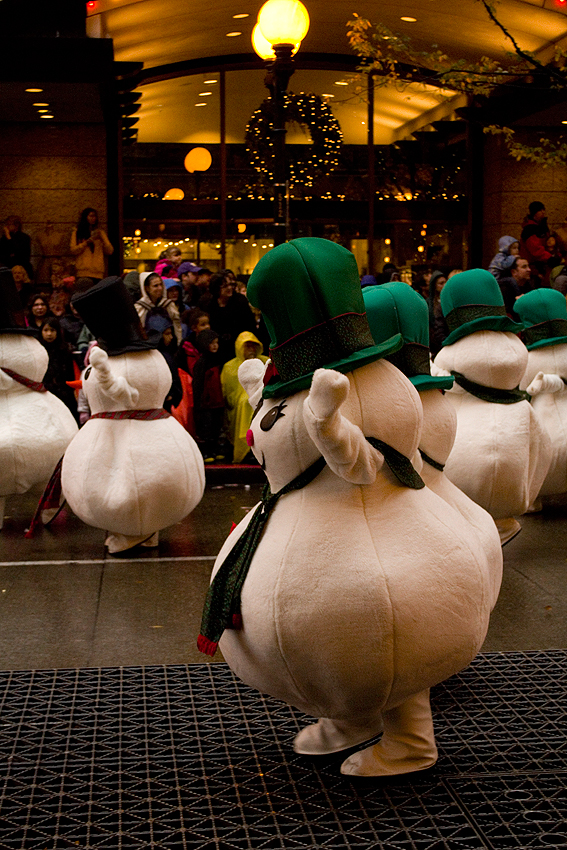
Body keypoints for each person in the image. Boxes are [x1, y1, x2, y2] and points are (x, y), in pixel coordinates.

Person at [221, 332, 267, 463]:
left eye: (254, 346)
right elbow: (228, 393)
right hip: (238, 408)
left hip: (262, 402)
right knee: (244, 404)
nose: (251, 350)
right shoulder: (230, 367)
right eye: (247, 347)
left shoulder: (264, 362)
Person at [201, 272, 256, 363]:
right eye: (225, 286)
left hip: (238, 347)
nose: (229, 288)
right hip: (217, 349)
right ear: (216, 287)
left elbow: (250, 326)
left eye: (231, 285)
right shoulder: (209, 304)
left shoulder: (240, 301)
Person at [192, 329, 225, 463]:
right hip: (206, 402)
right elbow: (198, 384)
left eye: (216, 343)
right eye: (211, 343)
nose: (215, 346)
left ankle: (214, 450)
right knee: (206, 427)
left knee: (216, 426)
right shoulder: (201, 362)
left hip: (218, 400)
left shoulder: (218, 359)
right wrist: (199, 402)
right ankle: (206, 452)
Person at [40, 317, 79, 421]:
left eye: (52, 330)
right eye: (46, 330)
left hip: (65, 393)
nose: (49, 334)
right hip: (45, 392)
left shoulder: (65, 349)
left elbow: (70, 374)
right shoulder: (39, 350)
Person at [135, 272, 182, 344]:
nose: (159, 288)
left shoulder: (168, 304)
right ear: (146, 288)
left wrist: (179, 344)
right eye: (155, 286)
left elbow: (177, 327)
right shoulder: (140, 307)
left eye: (161, 285)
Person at [70, 208, 113, 284]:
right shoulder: (77, 232)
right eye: (91, 216)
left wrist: (102, 237)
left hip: (98, 272)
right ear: (85, 217)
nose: (94, 219)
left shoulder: (100, 232)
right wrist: (86, 242)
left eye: (95, 216)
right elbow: (73, 250)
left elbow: (110, 251)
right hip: (83, 271)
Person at [520, 202, 553, 284]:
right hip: (534, 266)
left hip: (541, 263)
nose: (543, 212)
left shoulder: (541, 226)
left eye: (543, 210)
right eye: (540, 210)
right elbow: (536, 250)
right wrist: (550, 258)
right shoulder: (530, 229)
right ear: (535, 212)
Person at [427, 270, 448, 355]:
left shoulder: (448, 301)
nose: (444, 285)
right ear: (435, 286)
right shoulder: (429, 303)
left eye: (445, 282)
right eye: (441, 283)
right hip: (435, 345)